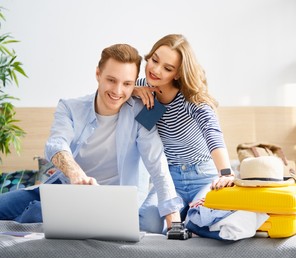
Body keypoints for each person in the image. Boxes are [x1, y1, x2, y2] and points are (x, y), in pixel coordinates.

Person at [0, 43, 182, 233]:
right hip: (69, 191)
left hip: (119, 201)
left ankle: (40, 215)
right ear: (98, 74)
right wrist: (76, 174)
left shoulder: (145, 112)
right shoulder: (70, 107)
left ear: (135, 83)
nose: (118, 91)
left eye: (127, 84)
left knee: (150, 225)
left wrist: (175, 222)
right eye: (111, 80)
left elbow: (158, 164)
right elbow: (56, 144)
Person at [133, 34, 234, 221]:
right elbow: (110, 92)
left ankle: (189, 216)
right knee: (147, 220)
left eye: (167, 68)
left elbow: (212, 131)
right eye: (154, 60)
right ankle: (184, 214)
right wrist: (132, 90)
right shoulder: (142, 87)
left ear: (178, 73)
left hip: (203, 176)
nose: (155, 69)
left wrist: (225, 172)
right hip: (169, 179)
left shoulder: (191, 98)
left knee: (202, 219)